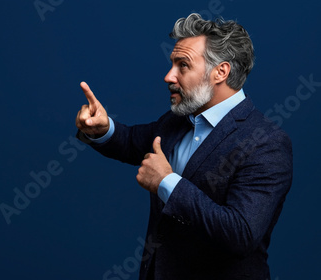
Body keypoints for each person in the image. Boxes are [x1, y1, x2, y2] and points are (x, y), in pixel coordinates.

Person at [75, 13, 293, 280]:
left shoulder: (267, 143)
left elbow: (241, 234)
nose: (168, 76)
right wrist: (102, 127)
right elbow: (132, 142)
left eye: (183, 65)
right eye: (172, 64)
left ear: (220, 72)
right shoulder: (177, 120)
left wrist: (167, 182)